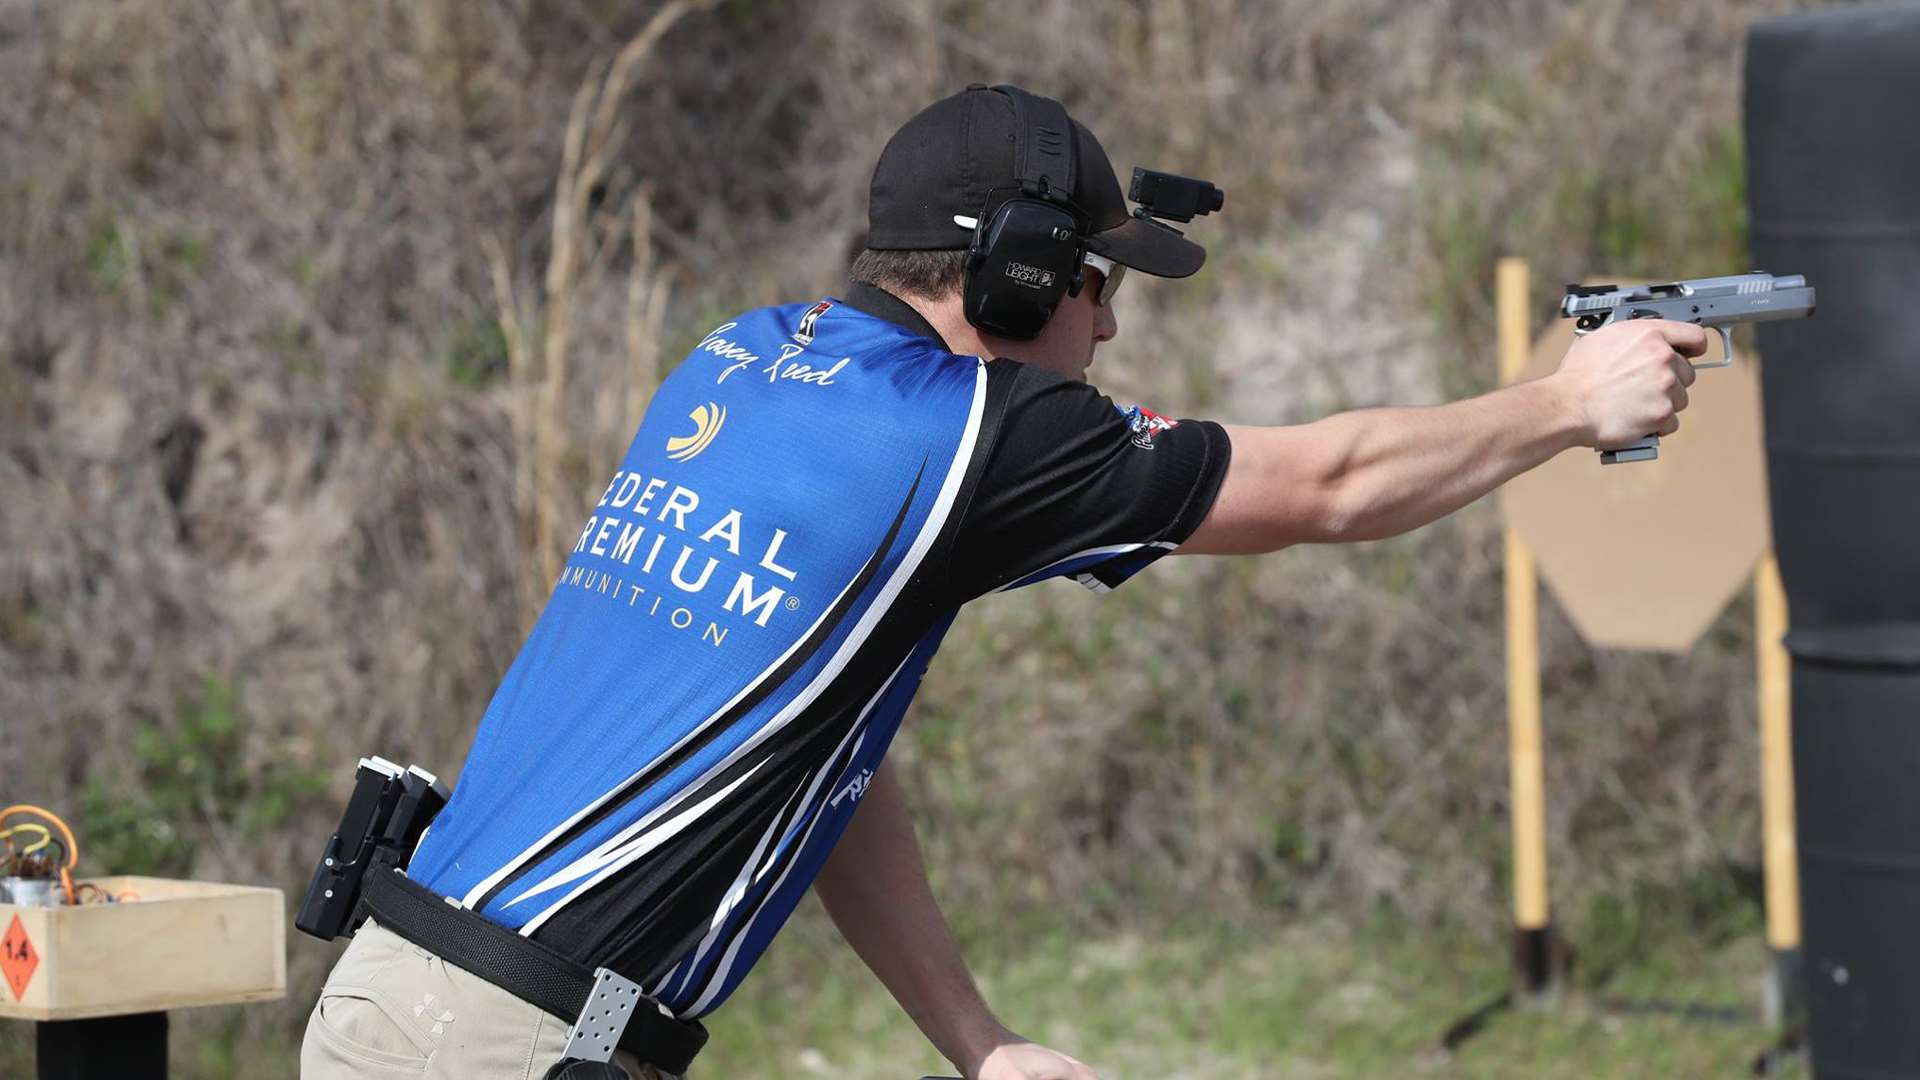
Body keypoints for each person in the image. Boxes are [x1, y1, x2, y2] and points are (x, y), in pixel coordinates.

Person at [301, 84, 1705, 1080]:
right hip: (509, 1044)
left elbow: (821, 759)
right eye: (1095, 280)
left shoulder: (738, 356)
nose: (1104, 321)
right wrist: (1571, 406)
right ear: (1020, 276)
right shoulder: (981, 429)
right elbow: (1330, 487)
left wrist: (979, 1044)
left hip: (402, 999)